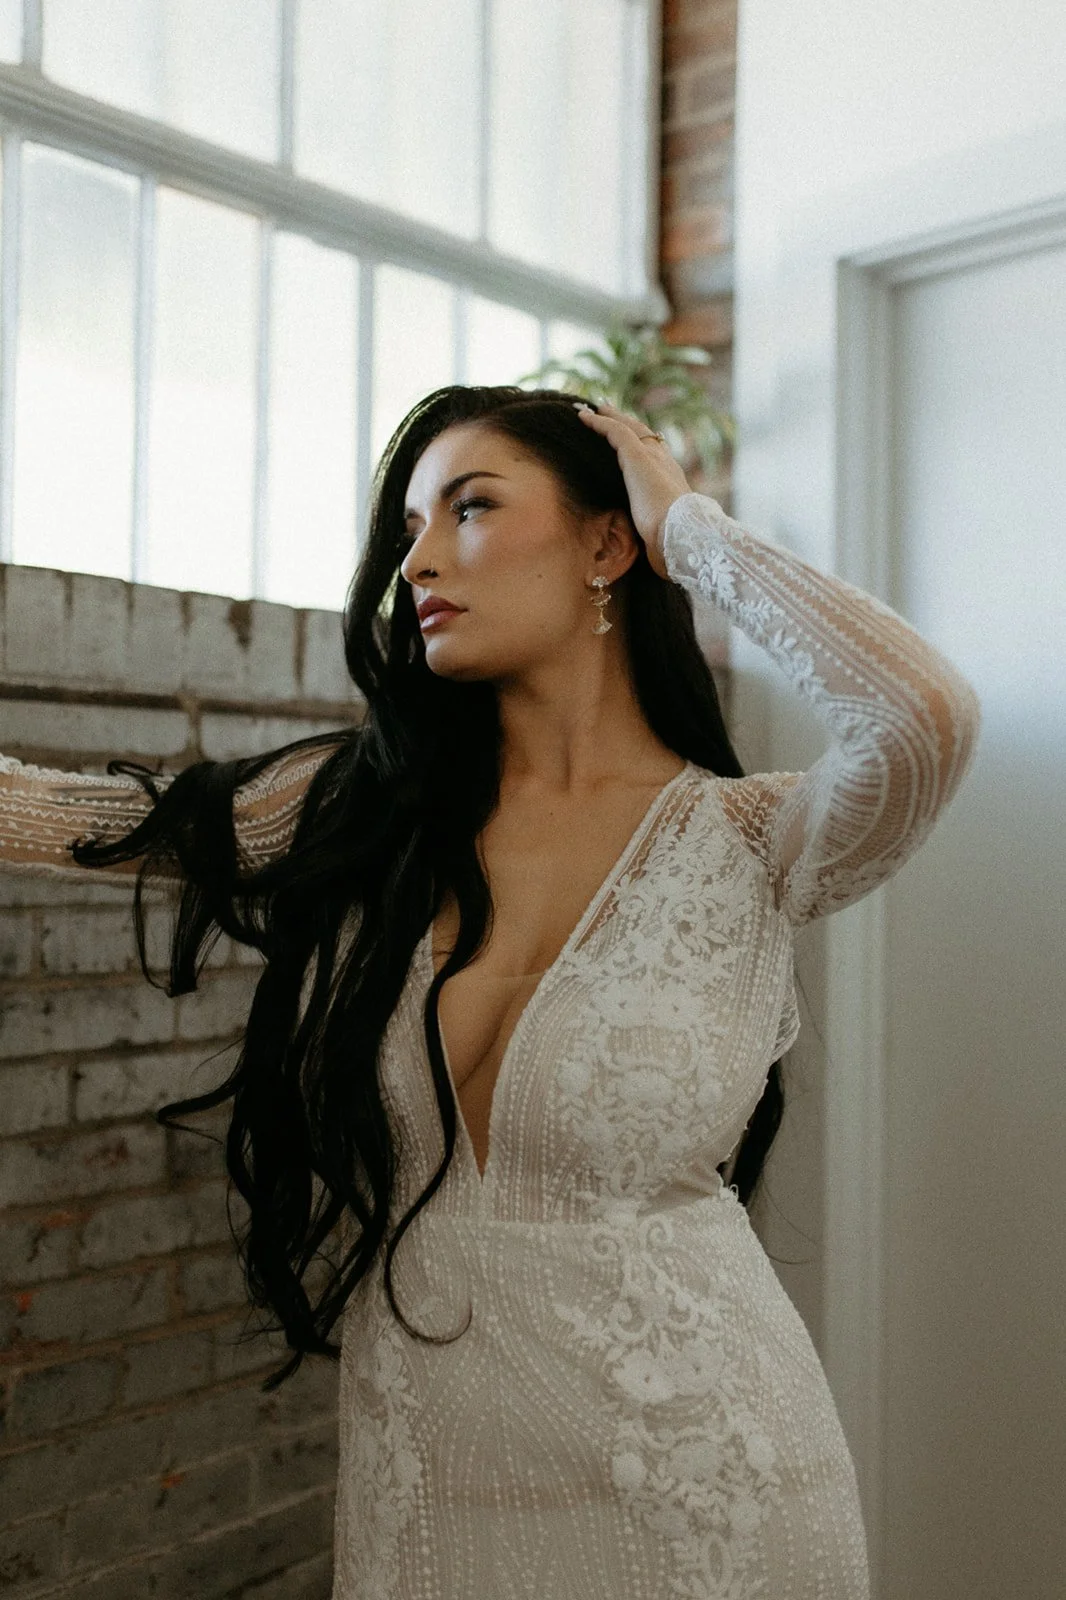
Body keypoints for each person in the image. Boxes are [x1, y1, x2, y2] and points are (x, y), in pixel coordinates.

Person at [0, 386, 981, 1598]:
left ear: (604, 545)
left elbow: (923, 713)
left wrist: (694, 533)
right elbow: (73, 818)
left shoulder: (752, 838)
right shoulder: (369, 816)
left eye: (470, 508)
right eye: (411, 524)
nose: (415, 558)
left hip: (715, 1489)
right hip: (432, 1484)